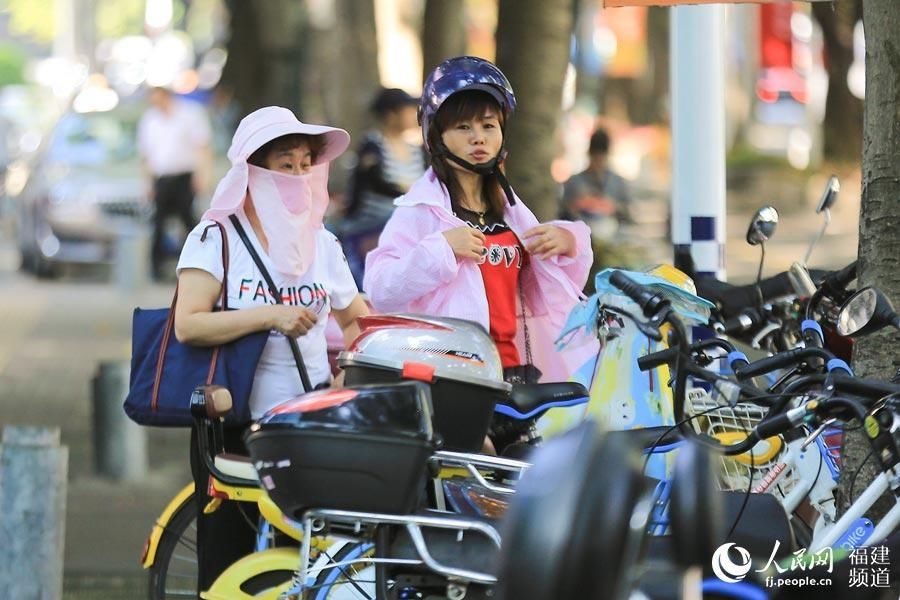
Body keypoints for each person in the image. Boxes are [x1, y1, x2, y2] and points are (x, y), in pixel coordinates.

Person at [173, 106, 369, 590]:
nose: (301, 174)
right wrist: (269, 316)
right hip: (234, 425)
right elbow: (187, 325)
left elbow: (356, 319)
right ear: (253, 171)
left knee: (302, 565)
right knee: (227, 566)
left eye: (307, 163)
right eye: (287, 163)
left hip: (306, 425)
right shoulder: (215, 237)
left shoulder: (322, 243)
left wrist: (353, 366)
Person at [363, 56, 595, 387]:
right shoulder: (419, 211)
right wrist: (441, 250)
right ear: (436, 136)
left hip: (515, 374)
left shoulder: (510, 209)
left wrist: (570, 241)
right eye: (463, 127)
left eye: (489, 126)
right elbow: (381, 290)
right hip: (451, 377)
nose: (479, 138)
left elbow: (554, 295)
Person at [336, 87, 426, 286]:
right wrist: (408, 192)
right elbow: (374, 182)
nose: (413, 115)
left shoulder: (416, 151)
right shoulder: (372, 144)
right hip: (371, 226)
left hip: (406, 224)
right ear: (390, 115)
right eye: (407, 110)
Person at [137, 86, 213, 280]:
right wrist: (147, 183)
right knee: (158, 222)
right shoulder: (150, 119)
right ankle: (156, 267)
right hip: (161, 177)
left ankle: (200, 261)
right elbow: (146, 155)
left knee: (188, 220)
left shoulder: (190, 114)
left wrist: (202, 175)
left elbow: (202, 147)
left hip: (184, 176)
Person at [561, 126, 632, 244]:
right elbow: (563, 214)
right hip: (581, 239)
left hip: (612, 240)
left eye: (602, 157)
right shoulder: (574, 182)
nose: (599, 162)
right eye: (596, 157)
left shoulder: (618, 182)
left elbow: (628, 214)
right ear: (589, 154)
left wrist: (613, 207)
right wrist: (577, 206)